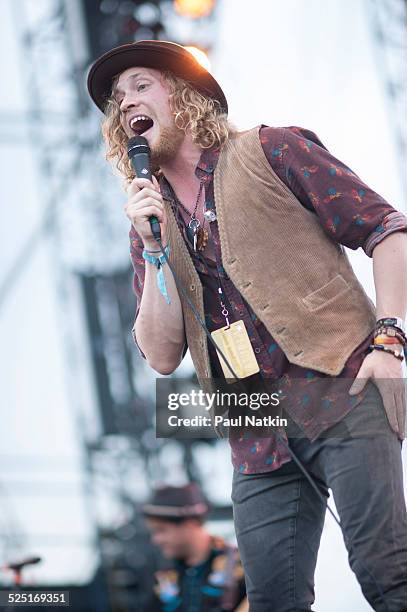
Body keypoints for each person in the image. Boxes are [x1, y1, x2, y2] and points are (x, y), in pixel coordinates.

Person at [87, 40, 407, 611]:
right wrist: (155, 249)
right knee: (271, 600)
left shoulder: (270, 150)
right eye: (117, 99)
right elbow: (162, 355)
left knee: (386, 571)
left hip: (344, 384)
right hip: (255, 426)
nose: (125, 102)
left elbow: (387, 229)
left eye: (140, 85)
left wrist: (390, 339)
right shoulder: (147, 221)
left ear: (185, 96)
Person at [141, 483, 247, 611]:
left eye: (161, 530)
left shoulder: (243, 566)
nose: (155, 540)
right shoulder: (165, 577)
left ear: (190, 524)